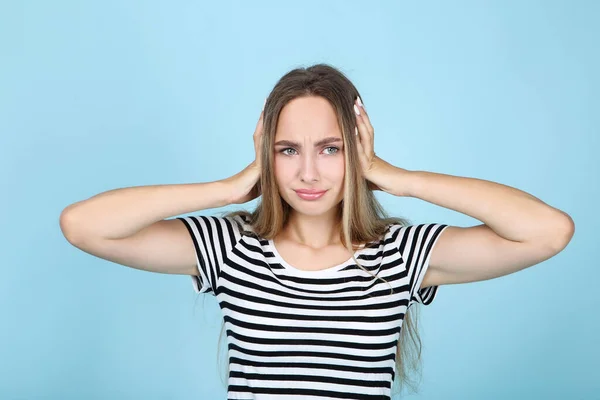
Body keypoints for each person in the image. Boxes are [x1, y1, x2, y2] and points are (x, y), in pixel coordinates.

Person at [59, 63, 574, 399]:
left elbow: (547, 232)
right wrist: (228, 188)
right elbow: (84, 226)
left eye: (330, 148)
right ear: (269, 155)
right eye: (288, 150)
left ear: (357, 150)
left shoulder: (399, 255)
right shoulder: (231, 246)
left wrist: (400, 179)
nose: (309, 173)